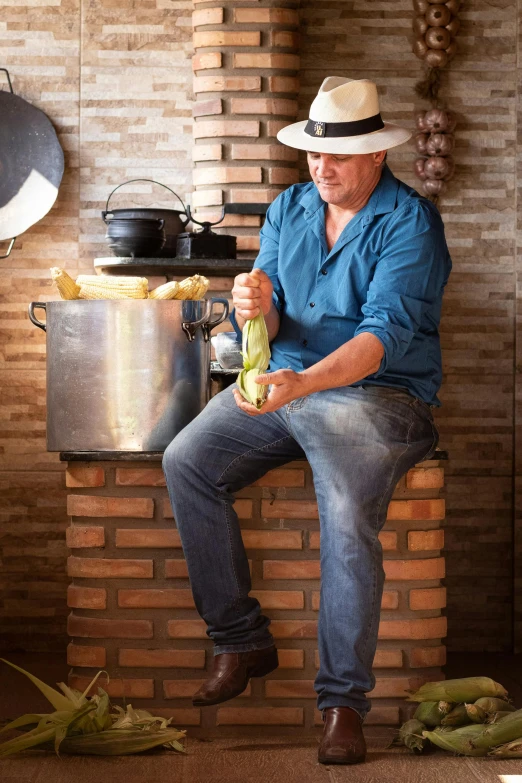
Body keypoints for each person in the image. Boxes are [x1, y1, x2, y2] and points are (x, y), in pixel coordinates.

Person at [162, 76, 452, 765]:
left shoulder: (411, 223)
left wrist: (304, 382)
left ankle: (342, 703)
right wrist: (249, 302)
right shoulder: (290, 207)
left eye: (340, 157)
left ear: (377, 156)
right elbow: (266, 312)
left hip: (380, 397)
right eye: (315, 155)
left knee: (347, 510)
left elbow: (382, 337)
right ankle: (240, 638)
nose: (322, 169)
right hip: (289, 388)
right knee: (187, 460)